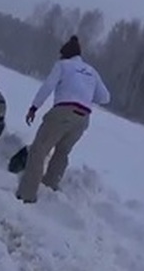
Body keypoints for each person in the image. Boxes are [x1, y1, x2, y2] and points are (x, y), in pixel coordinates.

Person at [16, 35, 111, 203]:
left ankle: (26, 194)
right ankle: (50, 189)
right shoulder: (91, 71)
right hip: (82, 119)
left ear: (65, 54)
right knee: (62, 153)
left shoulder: (62, 66)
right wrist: (86, 94)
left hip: (63, 112)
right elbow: (105, 97)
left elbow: (48, 86)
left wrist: (34, 107)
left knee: (39, 150)